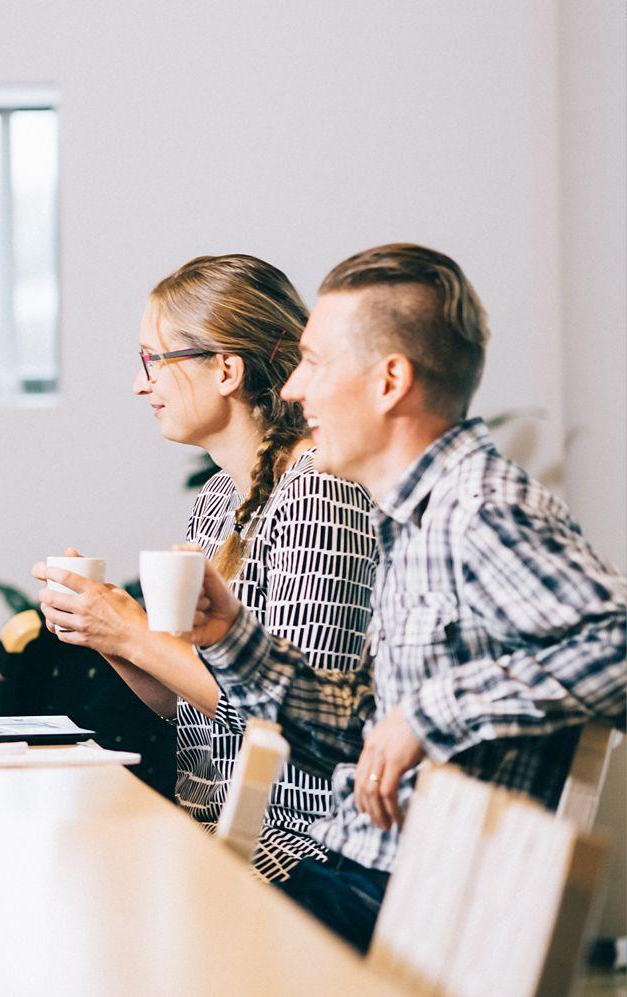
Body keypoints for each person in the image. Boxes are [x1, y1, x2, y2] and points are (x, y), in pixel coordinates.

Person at [188, 243, 627, 951]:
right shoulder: (412, 520)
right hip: (363, 871)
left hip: (418, 902)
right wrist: (232, 635)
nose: (294, 388)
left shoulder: (479, 509)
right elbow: (357, 730)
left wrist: (430, 713)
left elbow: (620, 642)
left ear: (391, 380)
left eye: (315, 361)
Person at [32, 255, 378, 881]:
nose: (143, 385)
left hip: (302, 841)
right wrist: (103, 630)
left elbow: (283, 717)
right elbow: (185, 706)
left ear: (225, 369)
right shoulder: (218, 497)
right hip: (214, 818)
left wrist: (132, 630)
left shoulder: (320, 493)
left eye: (152, 360)